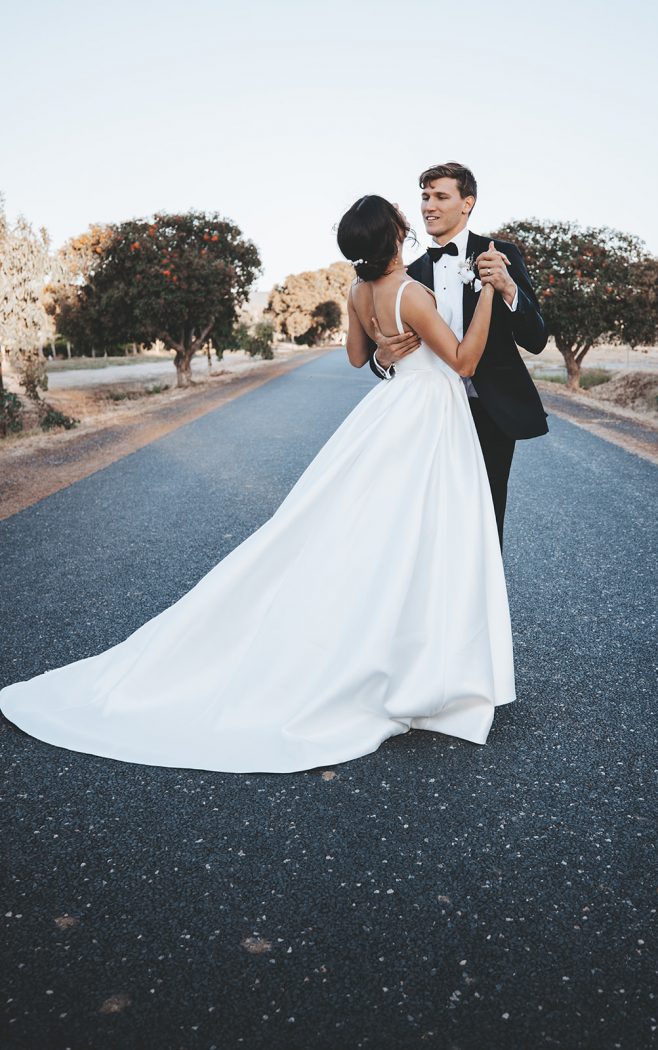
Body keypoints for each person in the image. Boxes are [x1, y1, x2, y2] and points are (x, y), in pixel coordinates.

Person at [0, 196, 516, 775]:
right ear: (397, 236)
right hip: (427, 418)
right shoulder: (411, 293)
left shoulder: (357, 291)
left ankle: (401, 655)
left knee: (374, 535)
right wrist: (491, 293)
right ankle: (417, 663)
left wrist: (385, 348)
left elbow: (354, 357)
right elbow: (466, 362)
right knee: (421, 535)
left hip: (390, 410)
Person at [366, 162, 549, 549]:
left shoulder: (502, 256)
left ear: (467, 203)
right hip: (427, 414)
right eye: (425, 197)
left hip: (490, 411)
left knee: (485, 518)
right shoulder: (409, 275)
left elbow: (536, 339)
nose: (428, 206)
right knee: (426, 516)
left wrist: (508, 288)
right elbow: (375, 356)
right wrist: (381, 358)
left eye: (440, 196)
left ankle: (482, 608)